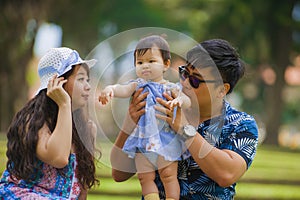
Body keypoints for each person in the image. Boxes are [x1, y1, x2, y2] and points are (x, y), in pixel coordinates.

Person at [110, 39, 259, 199]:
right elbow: (119, 174)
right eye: (184, 73)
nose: (185, 83)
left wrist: (183, 129)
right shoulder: (161, 102)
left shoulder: (241, 124)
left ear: (222, 89)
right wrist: (129, 124)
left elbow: (226, 174)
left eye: (195, 80)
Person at [0, 47, 100, 199]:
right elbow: (59, 158)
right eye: (80, 79)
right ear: (58, 82)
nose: (88, 86)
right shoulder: (33, 121)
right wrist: (64, 104)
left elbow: (82, 188)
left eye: (88, 80)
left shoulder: (88, 128)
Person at [100, 35, 191, 200]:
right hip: (143, 141)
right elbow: (122, 89)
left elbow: (187, 101)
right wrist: (110, 89)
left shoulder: (171, 88)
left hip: (165, 139)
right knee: (144, 176)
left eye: (151, 61)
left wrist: (179, 100)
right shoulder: (137, 85)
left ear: (166, 65)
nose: (145, 66)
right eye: (140, 62)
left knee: (169, 175)